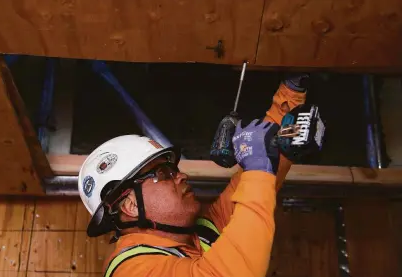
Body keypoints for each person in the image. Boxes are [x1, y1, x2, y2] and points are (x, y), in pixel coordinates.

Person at [78, 75, 308, 277]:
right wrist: (259, 165)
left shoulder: (203, 232)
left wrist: (290, 98)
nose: (181, 176)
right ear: (131, 205)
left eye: (174, 170)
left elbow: (253, 184)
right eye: (164, 173)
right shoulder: (131, 270)